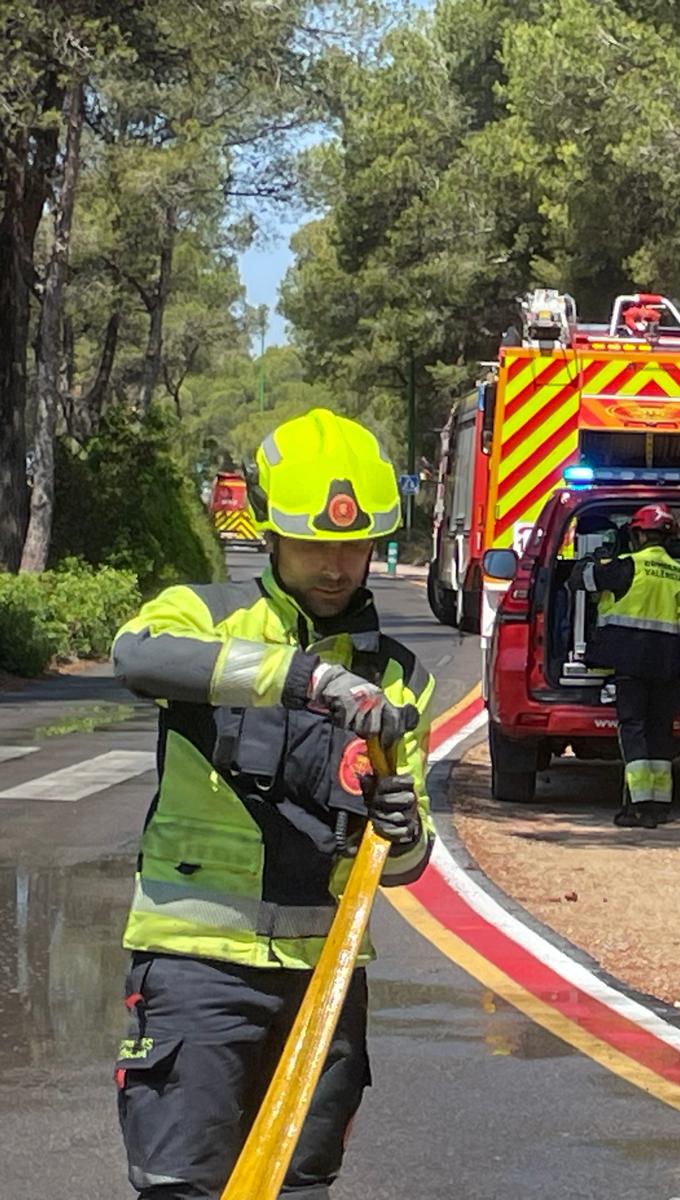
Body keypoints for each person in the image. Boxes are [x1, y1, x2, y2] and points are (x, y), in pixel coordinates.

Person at [110, 408, 434, 1198]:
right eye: (315, 545)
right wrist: (302, 679)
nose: (336, 566)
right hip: (196, 971)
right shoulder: (205, 616)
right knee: (183, 1184)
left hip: (323, 982)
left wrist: (404, 833)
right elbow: (134, 655)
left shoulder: (399, 675)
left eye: (352, 547)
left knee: (299, 1187)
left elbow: (409, 861)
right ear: (270, 536)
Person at [572, 502, 680, 829]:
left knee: (634, 729)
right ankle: (660, 807)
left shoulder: (628, 566)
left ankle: (638, 807)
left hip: (630, 664)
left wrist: (591, 560)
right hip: (666, 665)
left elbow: (582, 580)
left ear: (638, 535)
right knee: (659, 732)